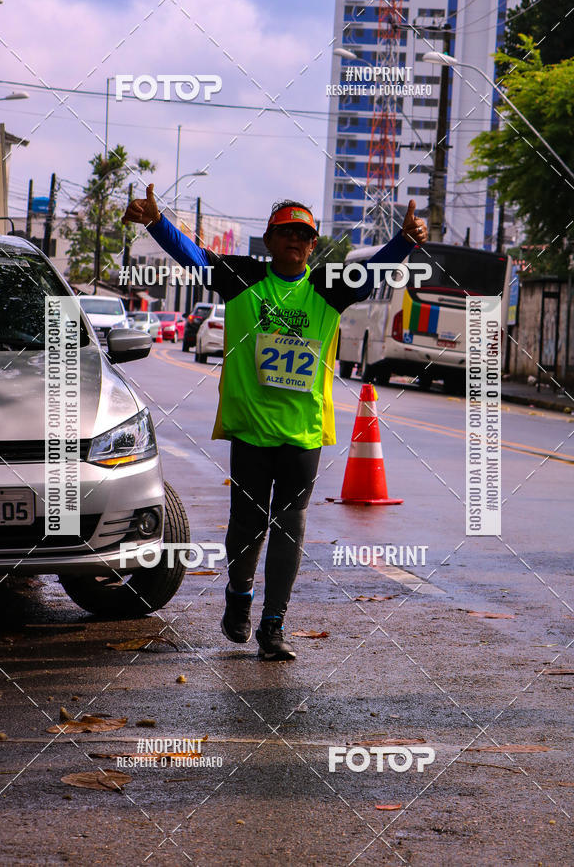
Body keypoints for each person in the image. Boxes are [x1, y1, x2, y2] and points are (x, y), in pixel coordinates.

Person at [124, 188, 428, 660]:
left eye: (303, 235)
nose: (294, 240)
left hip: (302, 431)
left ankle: (274, 624)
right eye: (285, 232)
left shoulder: (329, 285)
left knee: (290, 525)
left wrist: (405, 242)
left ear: (313, 246)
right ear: (268, 240)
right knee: (248, 522)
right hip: (249, 428)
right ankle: (240, 595)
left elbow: (372, 269)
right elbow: (193, 256)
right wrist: (156, 222)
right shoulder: (242, 277)